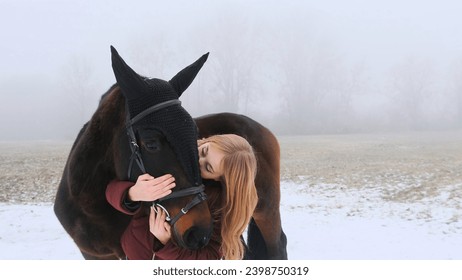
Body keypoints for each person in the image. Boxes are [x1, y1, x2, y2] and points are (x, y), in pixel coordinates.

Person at [106, 134, 258, 260]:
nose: (198, 161)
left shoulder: (218, 204)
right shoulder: (169, 154)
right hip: (132, 254)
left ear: (219, 179)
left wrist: (165, 243)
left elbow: (209, 258)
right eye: (204, 151)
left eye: (208, 167)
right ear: (208, 140)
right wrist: (132, 193)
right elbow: (109, 188)